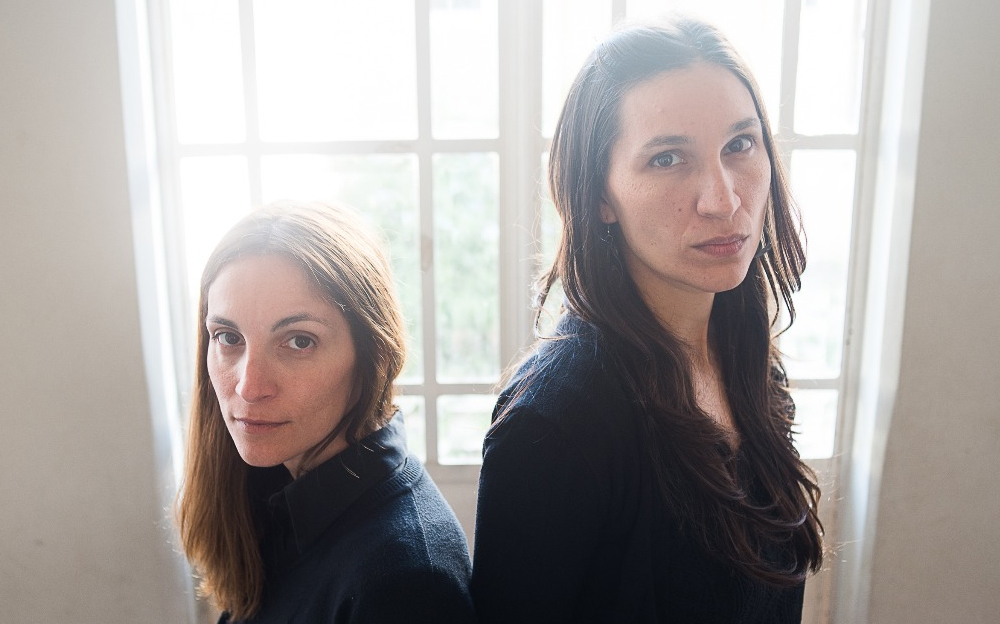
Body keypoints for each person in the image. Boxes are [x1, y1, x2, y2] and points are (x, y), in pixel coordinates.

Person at [471, 18, 824, 624]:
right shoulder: (554, 426)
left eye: (740, 145)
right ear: (599, 196)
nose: (723, 199)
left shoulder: (744, 355)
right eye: (667, 158)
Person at [176, 201, 476, 623]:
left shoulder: (405, 583)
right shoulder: (272, 488)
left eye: (299, 341)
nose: (249, 386)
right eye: (228, 337)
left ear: (373, 353)